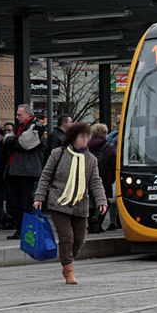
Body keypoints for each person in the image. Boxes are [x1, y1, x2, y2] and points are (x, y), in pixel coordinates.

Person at [33, 122, 108, 285]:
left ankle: (67, 258)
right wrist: (39, 197)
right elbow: (45, 176)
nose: (85, 140)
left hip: (80, 204)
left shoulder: (91, 159)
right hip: (59, 202)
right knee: (67, 236)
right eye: (82, 137)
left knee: (79, 239)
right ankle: (68, 269)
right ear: (73, 138)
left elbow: (95, 181)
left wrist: (102, 200)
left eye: (87, 137)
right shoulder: (58, 153)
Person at [3, 104, 46, 239]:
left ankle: (29, 230)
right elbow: (11, 142)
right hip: (16, 170)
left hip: (28, 171)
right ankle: (20, 229)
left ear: (28, 114)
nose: (17, 117)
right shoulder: (21, 128)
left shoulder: (37, 126)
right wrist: (15, 140)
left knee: (26, 203)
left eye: (19, 114)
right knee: (15, 202)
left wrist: (13, 139)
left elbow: (24, 144)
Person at [88, 123, 117, 233]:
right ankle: (98, 222)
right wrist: (112, 178)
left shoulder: (86, 146)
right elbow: (113, 164)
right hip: (104, 179)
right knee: (104, 201)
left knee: (90, 201)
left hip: (88, 178)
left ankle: (91, 224)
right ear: (105, 134)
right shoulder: (108, 148)